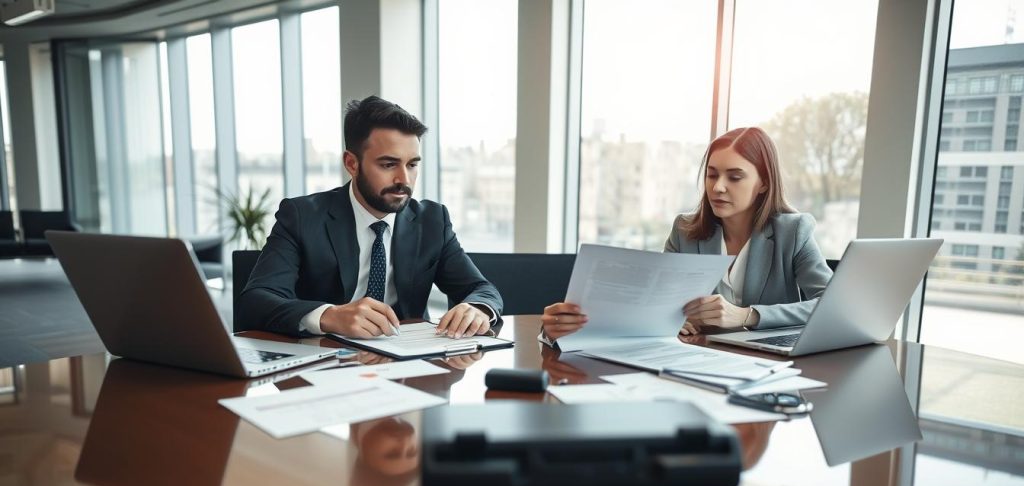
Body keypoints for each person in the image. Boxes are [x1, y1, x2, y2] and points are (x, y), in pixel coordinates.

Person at [237, 96, 502, 339]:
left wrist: (476, 308)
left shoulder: (432, 221)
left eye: (412, 164)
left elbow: (481, 288)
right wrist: (329, 315)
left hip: (408, 363)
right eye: (388, 165)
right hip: (324, 362)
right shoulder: (302, 217)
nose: (404, 180)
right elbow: (257, 301)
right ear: (352, 163)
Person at [542, 126, 831, 343]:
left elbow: (831, 307)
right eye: (712, 174)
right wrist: (669, 320)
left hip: (770, 368)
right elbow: (657, 306)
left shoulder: (793, 232)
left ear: (764, 184)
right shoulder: (685, 231)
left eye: (734, 177)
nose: (717, 187)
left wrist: (747, 315)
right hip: (698, 361)